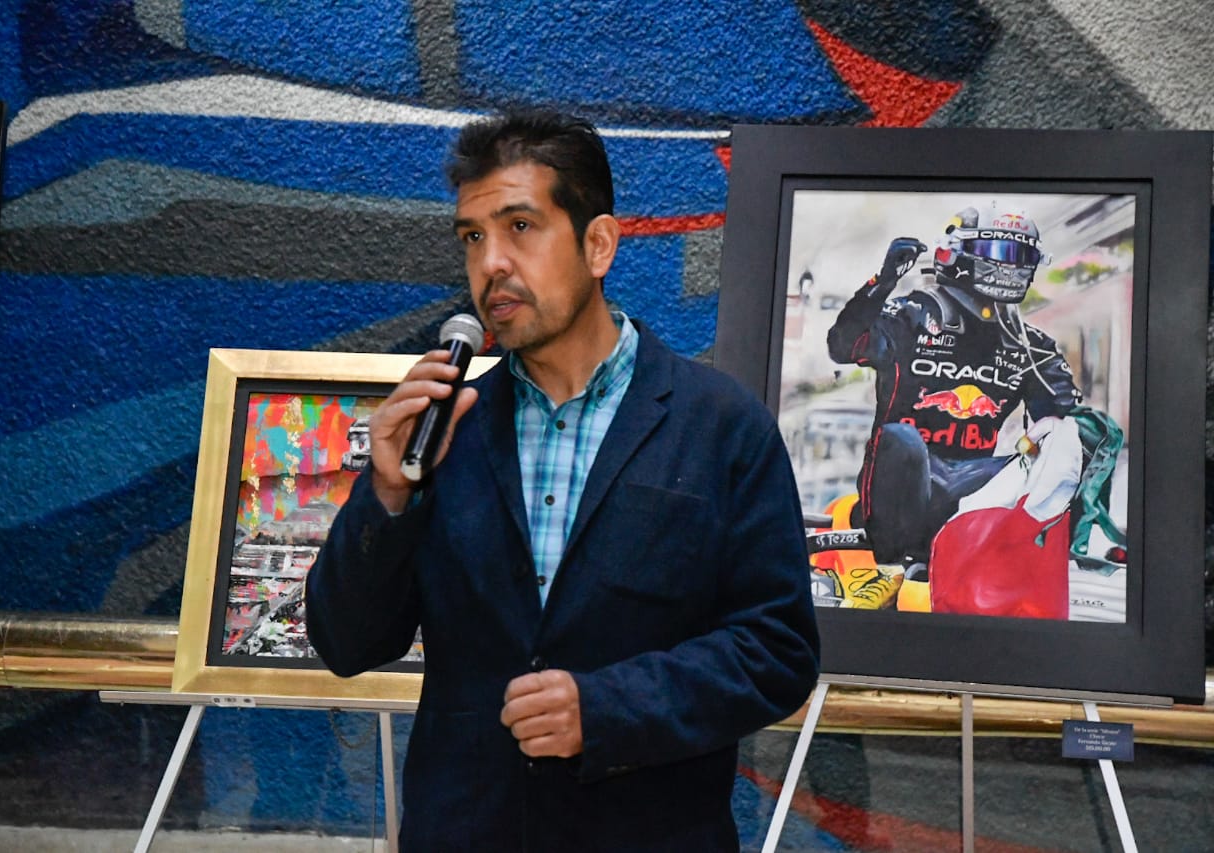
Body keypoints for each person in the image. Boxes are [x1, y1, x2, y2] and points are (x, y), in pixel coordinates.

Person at [305, 110, 820, 851]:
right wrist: (386, 495)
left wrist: (607, 708)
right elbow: (346, 643)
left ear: (598, 244)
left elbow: (777, 651)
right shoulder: (448, 431)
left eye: (520, 227)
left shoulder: (720, 425)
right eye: (472, 238)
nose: (491, 264)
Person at [825, 203, 1090, 612]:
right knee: (902, 440)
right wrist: (882, 282)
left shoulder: (1032, 346)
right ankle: (889, 568)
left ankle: (1031, 564)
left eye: (1021, 255)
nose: (1010, 266)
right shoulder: (910, 316)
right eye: (1001, 253)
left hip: (973, 490)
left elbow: (1067, 425)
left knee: (1063, 441)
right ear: (956, 252)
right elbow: (843, 347)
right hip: (903, 483)